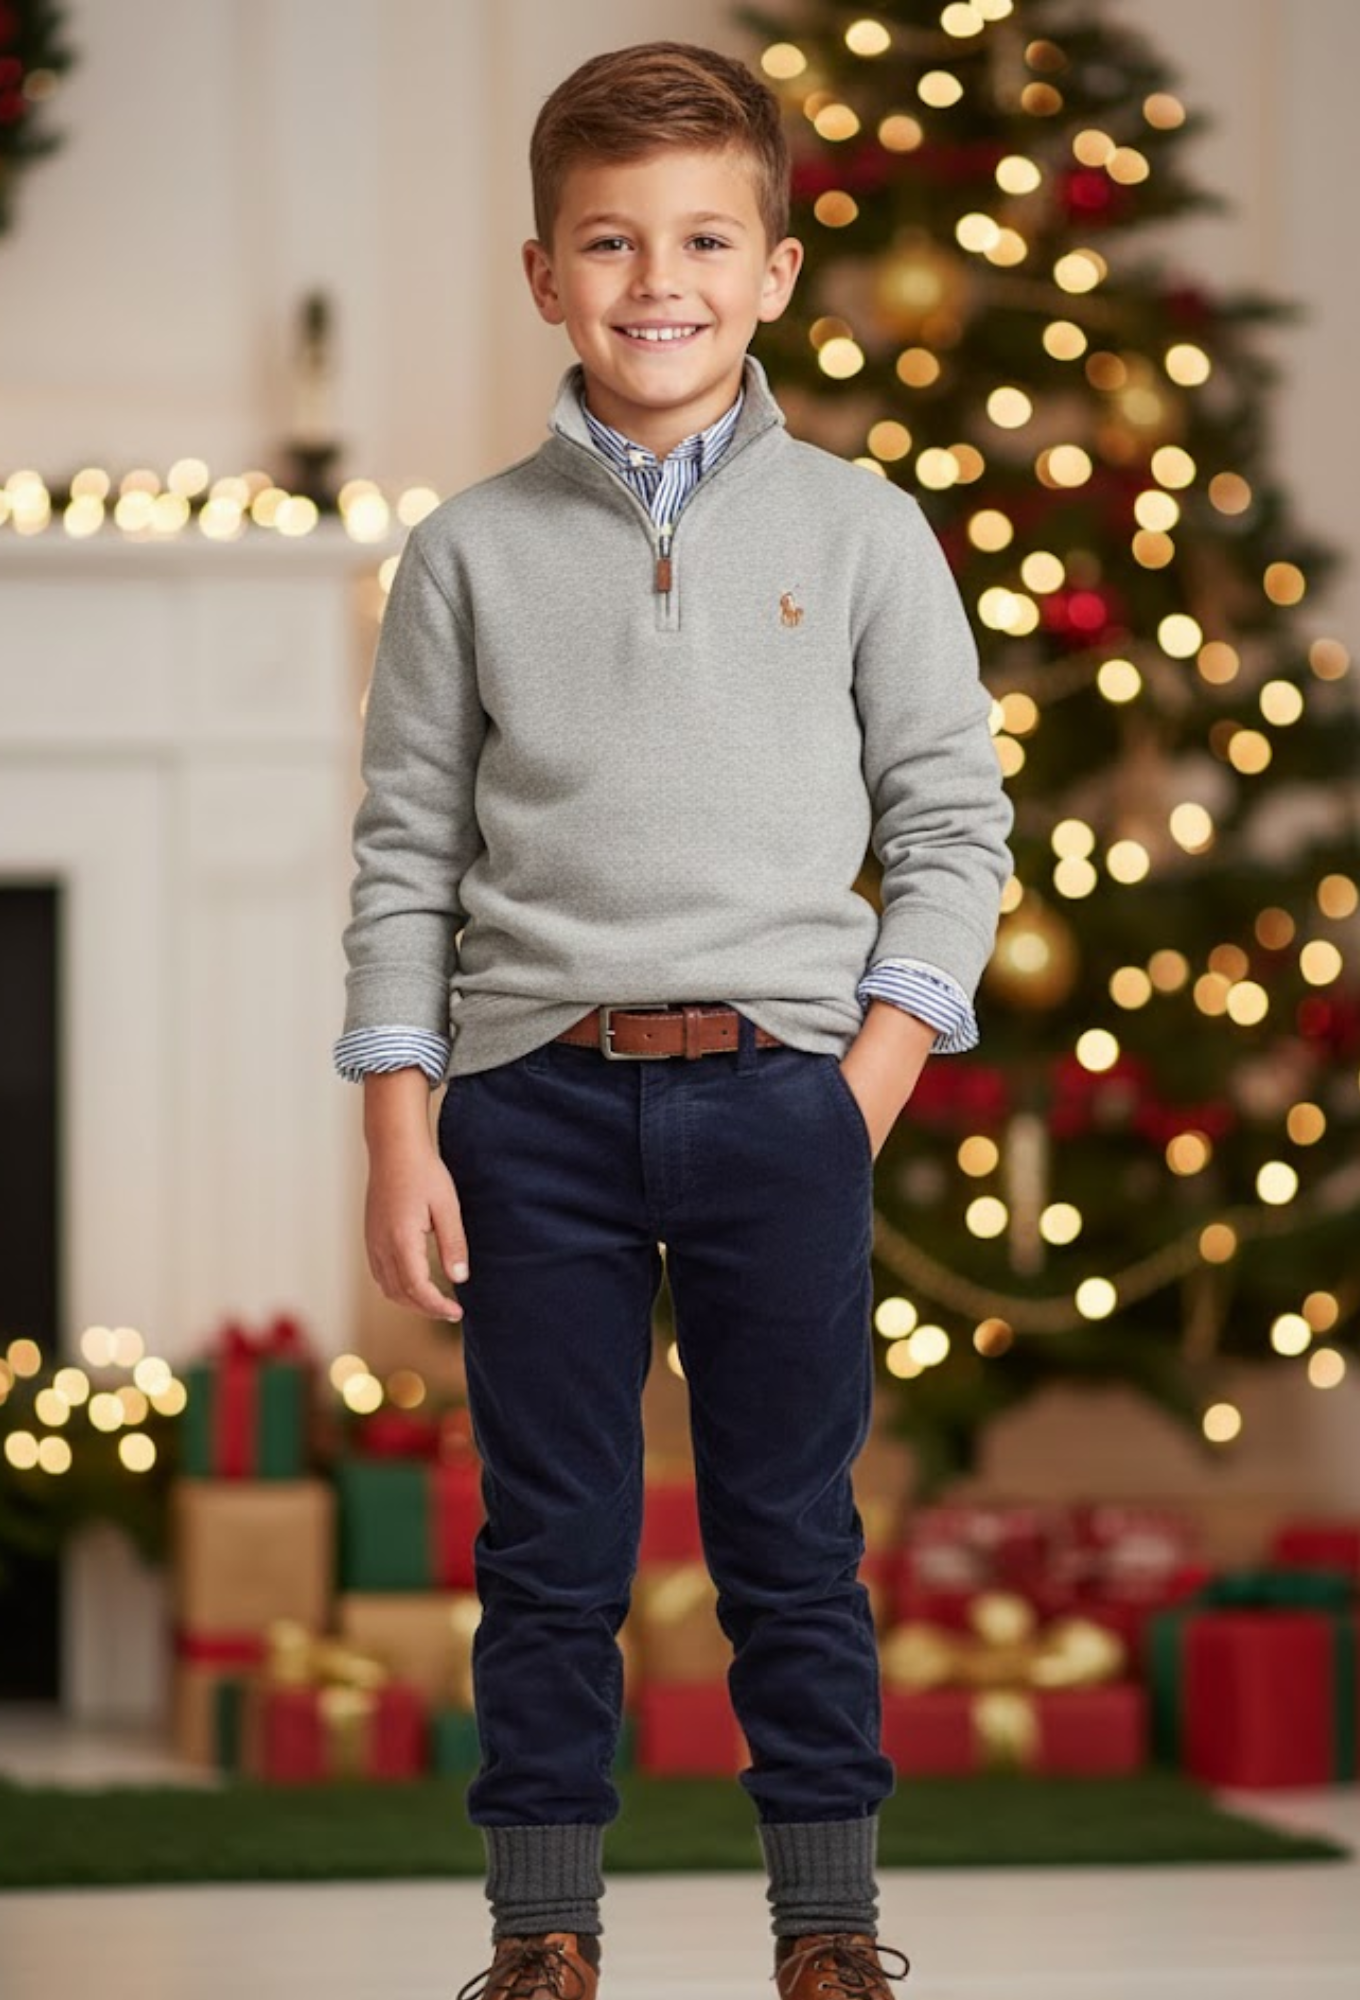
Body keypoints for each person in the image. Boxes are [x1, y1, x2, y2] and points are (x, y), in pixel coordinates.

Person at [333, 38, 1014, 2000]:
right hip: (525, 1108)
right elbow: (402, 859)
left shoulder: (862, 528)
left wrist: (864, 1075)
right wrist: (397, 1124)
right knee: (550, 1546)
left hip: (780, 1098)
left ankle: (827, 1935)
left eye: (704, 238)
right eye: (609, 241)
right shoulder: (462, 554)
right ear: (540, 273)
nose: (658, 281)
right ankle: (540, 1932)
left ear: (775, 269)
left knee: (791, 1533)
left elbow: (952, 824)